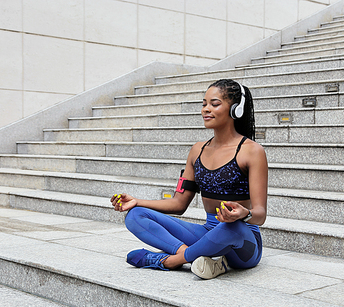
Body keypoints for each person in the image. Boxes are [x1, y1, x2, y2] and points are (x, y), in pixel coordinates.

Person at [110, 79, 268, 279]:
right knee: (136, 215)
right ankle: (203, 257)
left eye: (215, 104)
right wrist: (136, 201)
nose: (206, 109)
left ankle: (170, 260)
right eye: (204, 104)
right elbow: (178, 203)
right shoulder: (197, 151)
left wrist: (243, 214)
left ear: (235, 109)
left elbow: (260, 215)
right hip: (208, 232)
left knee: (232, 227)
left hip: (243, 242)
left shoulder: (252, 151)